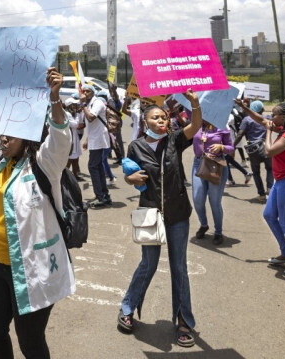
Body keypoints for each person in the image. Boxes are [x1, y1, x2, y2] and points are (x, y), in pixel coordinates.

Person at [0, 68, 75, 359]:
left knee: (30, 341)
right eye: (2, 132)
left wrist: (54, 100)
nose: (3, 138)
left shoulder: (44, 164)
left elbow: (61, 138)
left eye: (11, 133)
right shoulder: (1, 158)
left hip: (32, 268)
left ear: (28, 135)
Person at [118, 89, 202, 347]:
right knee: (148, 265)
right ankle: (127, 308)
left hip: (177, 214)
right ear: (145, 122)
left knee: (179, 268)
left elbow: (196, 125)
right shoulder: (136, 146)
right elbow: (130, 174)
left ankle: (184, 321)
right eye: (155, 118)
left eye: (164, 117)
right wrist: (129, 178)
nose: (161, 121)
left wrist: (195, 104)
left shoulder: (175, 140)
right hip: (150, 213)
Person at [236, 99, 285, 275]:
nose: (271, 117)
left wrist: (268, 132)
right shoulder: (284, 129)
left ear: (283, 117)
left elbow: (269, 151)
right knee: (269, 215)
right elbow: (261, 120)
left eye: (274, 114)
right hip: (281, 183)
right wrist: (245, 108)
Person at [233, 100, 273, 202]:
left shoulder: (247, 119)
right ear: (263, 109)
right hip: (266, 147)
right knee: (270, 169)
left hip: (253, 150)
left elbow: (240, 134)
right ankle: (269, 188)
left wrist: (232, 146)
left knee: (256, 172)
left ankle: (262, 195)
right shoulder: (268, 118)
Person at [80, 84, 112, 207]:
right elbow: (88, 124)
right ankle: (103, 194)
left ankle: (101, 196)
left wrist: (83, 105)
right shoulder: (88, 104)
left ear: (93, 92)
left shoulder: (97, 102)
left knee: (93, 166)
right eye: (84, 91)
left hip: (99, 138)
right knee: (97, 166)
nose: (86, 93)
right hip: (94, 138)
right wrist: (87, 139)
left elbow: (91, 117)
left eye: (88, 91)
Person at [65, 97, 84, 180]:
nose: (76, 106)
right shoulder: (67, 114)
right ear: (70, 106)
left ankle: (75, 175)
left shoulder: (73, 114)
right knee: (69, 158)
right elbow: (75, 124)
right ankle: (65, 177)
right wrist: (78, 114)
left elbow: (80, 123)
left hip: (74, 137)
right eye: (74, 105)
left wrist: (79, 114)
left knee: (75, 158)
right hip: (71, 138)